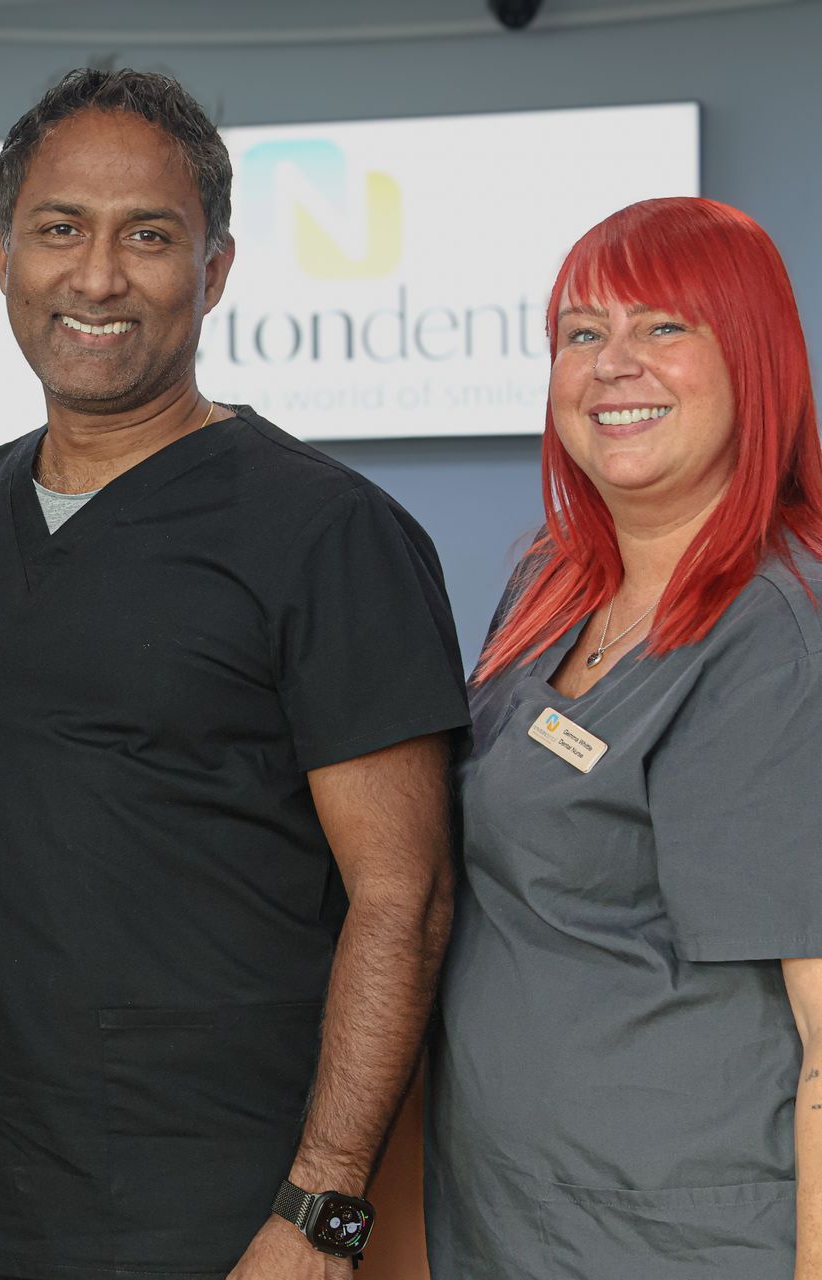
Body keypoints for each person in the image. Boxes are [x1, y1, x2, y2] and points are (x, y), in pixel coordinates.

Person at [0, 68, 470, 1280]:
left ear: (212, 270)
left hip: (234, 1210)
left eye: (148, 236)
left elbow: (403, 899)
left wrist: (323, 1212)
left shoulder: (328, 534)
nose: (98, 276)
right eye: (60, 229)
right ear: (1, 254)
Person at [426, 196, 822, 1279]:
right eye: (583, 333)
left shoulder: (781, 634)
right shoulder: (548, 586)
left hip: (683, 1239)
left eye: (664, 327)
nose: (614, 363)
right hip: (513, 1218)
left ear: (755, 357)